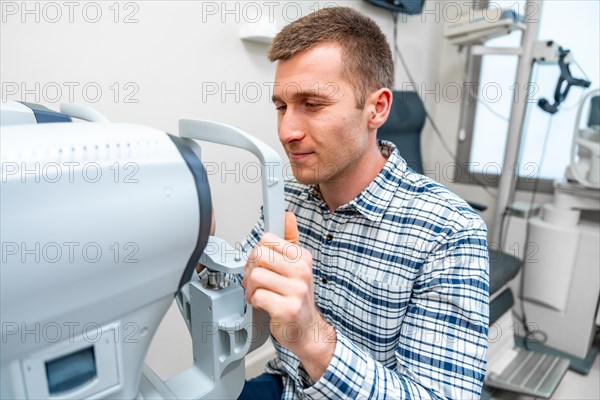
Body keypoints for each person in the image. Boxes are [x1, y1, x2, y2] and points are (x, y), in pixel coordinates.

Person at [236, 6, 489, 399]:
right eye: (281, 106)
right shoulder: (286, 198)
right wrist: (203, 250)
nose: (286, 131)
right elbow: (241, 300)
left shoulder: (450, 232)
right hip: (285, 385)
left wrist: (311, 337)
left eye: (313, 104)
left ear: (377, 108)